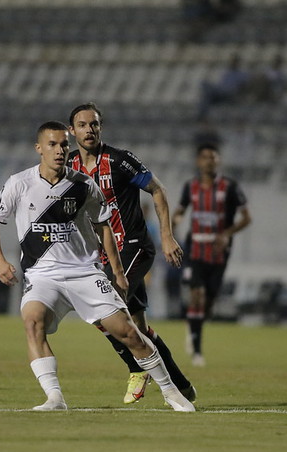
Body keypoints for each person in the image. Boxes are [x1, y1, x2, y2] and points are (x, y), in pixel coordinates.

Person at [0, 121, 194, 412]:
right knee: (32, 322)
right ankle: (55, 398)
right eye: (53, 144)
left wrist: (117, 272)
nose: (59, 150)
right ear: (39, 148)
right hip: (43, 275)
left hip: (84, 272)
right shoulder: (19, 183)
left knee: (130, 333)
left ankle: (172, 392)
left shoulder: (83, 184)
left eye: (63, 145)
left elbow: (104, 226)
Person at [67, 102, 195, 405]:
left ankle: (136, 368)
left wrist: (166, 237)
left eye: (94, 124)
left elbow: (158, 189)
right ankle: (181, 387)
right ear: (71, 131)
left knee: (105, 309)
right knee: (138, 327)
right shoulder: (68, 166)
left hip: (134, 246)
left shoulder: (120, 160)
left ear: (101, 127)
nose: (89, 130)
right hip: (100, 257)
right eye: (83, 125)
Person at [173, 143, 251, 366]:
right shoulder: (191, 186)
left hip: (219, 251)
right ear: (199, 161)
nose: (210, 161)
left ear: (219, 161)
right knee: (196, 293)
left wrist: (227, 233)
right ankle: (197, 349)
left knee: (208, 302)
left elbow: (246, 218)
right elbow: (180, 211)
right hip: (195, 248)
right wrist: (174, 225)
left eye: (213, 157)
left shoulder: (230, 187)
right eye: (205, 157)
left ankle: (194, 325)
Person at [197, 53, 250, 120]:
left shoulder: (242, 74)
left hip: (230, 94)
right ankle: (202, 116)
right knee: (206, 92)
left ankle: (201, 117)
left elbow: (243, 88)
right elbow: (221, 84)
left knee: (207, 91)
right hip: (220, 93)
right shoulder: (227, 73)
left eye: (234, 61)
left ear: (237, 63)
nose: (232, 63)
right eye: (231, 61)